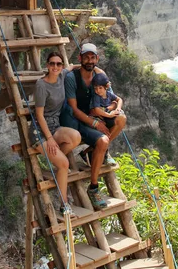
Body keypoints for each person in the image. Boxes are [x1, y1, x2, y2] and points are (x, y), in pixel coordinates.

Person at [60, 43, 127, 209]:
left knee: (121, 119)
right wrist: (95, 123)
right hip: (80, 120)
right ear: (80, 58)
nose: (89, 60)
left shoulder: (99, 75)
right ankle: (94, 187)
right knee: (103, 142)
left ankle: (90, 151)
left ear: (97, 59)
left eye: (92, 57)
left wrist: (111, 110)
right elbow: (74, 109)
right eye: (86, 57)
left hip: (97, 115)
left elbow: (111, 98)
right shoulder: (72, 78)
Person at [30, 51, 81, 217]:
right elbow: (39, 115)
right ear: (47, 65)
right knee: (65, 164)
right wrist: (50, 139)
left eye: (58, 64)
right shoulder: (41, 85)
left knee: (76, 137)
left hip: (55, 126)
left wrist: (96, 70)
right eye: (52, 63)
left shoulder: (62, 76)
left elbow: (71, 67)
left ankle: (57, 162)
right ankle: (64, 204)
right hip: (40, 132)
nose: (56, 67)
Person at [89, 73, 124, 141]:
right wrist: (109, 115)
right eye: (95, 88)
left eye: (100, 88)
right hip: (98, 116)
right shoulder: (97, 96)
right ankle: (103, 141)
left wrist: (118, 108)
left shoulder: (109, 94)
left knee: (120, 117)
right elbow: (96, 110)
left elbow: (119, 99)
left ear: (106, 86)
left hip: (106, 115)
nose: (98, 91)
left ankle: (107, 140)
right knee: (104, 126)